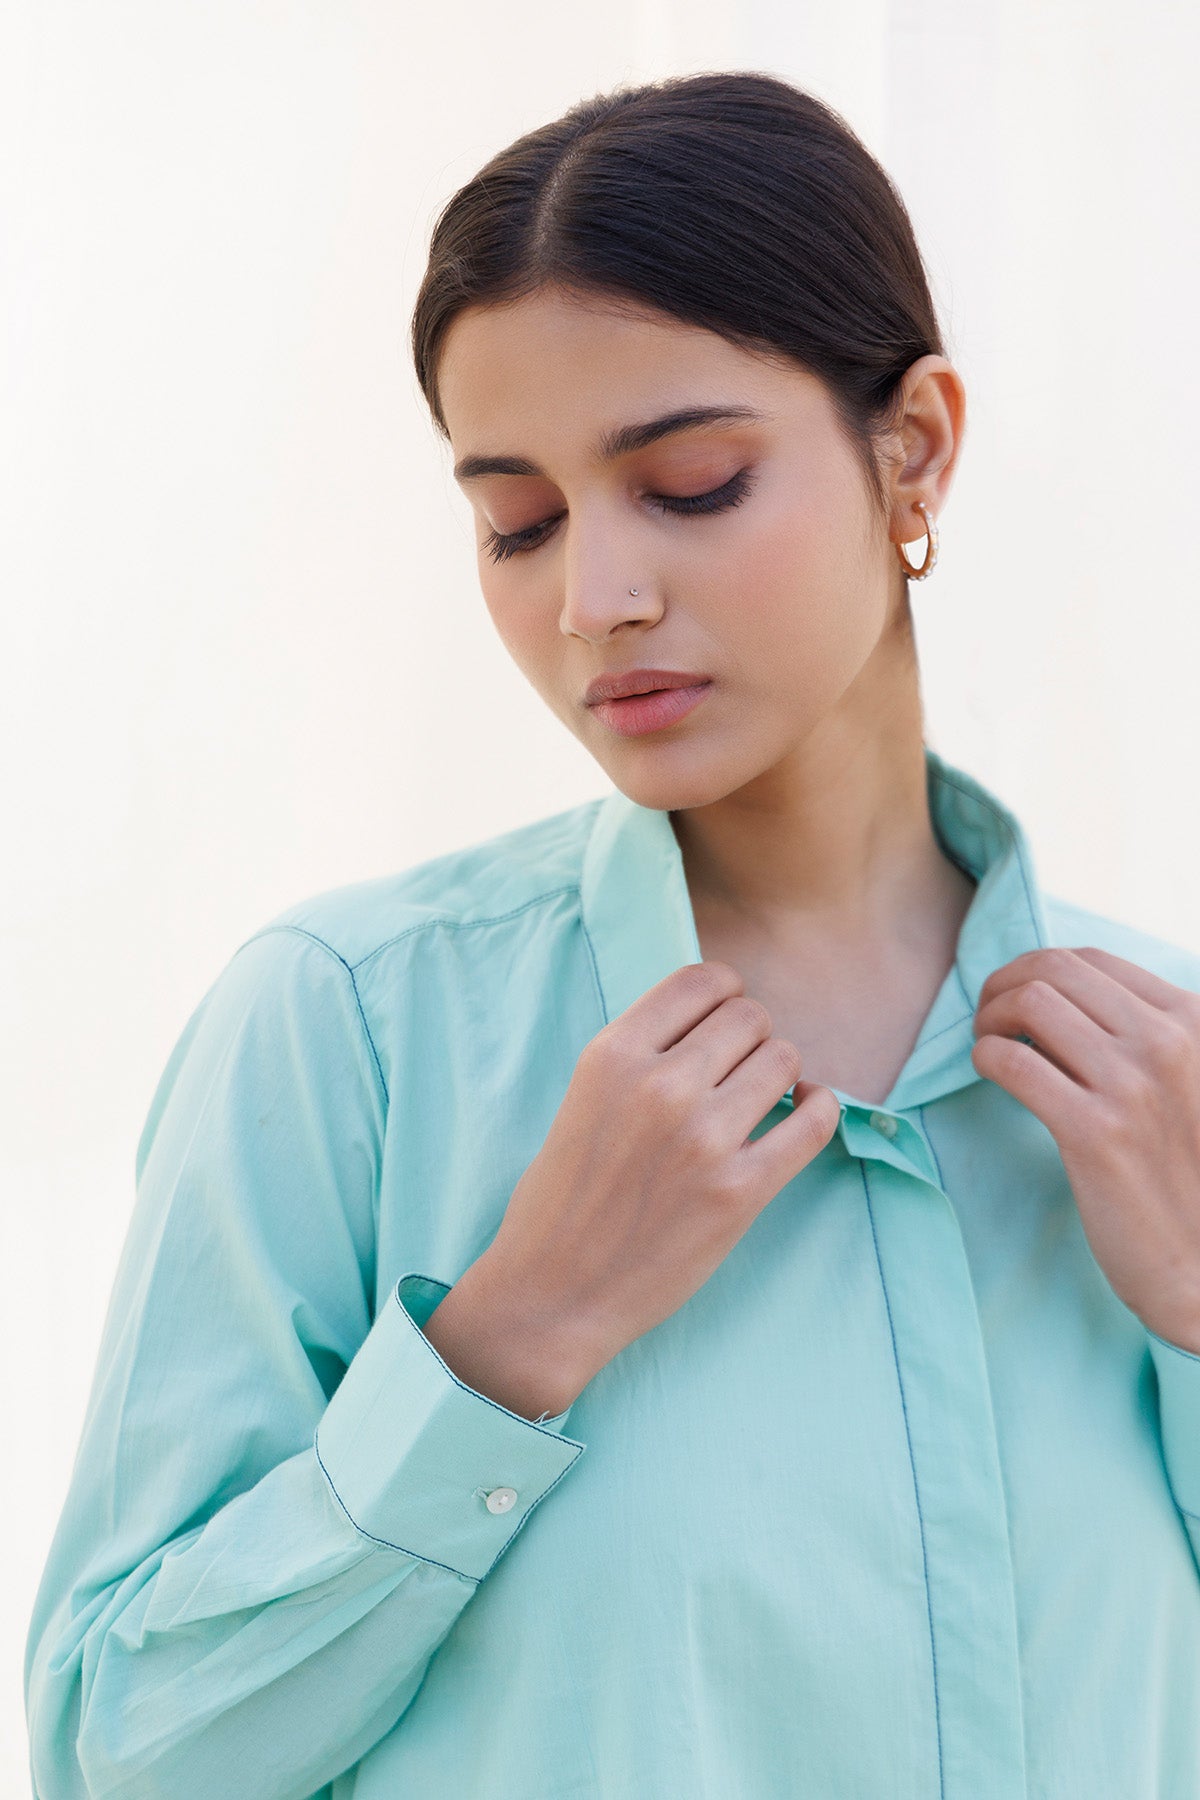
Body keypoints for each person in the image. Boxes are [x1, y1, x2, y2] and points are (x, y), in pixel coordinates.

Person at [24, 67, 1200, 1800]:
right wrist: (505, 1343)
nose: (593, 600)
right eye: (517, 521)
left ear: (917, 447)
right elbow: (124, 1758)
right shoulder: (345, 1034)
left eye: (695, 481)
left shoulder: (1166, 1061)